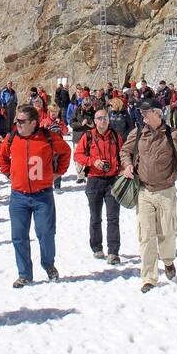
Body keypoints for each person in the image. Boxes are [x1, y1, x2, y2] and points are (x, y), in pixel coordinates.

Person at [120, 99, 177, 293]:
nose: (142, 115)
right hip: (144, 192)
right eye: (141, 112)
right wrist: (127, 164)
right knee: (146, 235)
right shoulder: (137, 134)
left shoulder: (172, 135)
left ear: (158, 113)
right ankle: (149, 277)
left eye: (146, 112)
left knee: (167, 232)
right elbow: (125, 151)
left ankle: (168, 260)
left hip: (166, 191)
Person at [0, 105, 71, 287]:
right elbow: (2, 156)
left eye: (22, 121)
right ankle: (24, 274)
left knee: (46, 233)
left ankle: (48, 264)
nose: (18, 124)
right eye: (17, 121)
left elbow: (66, 152)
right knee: (19, 236)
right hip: (19, 196)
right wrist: (8, 173)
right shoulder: (12, 137)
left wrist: (58, 172)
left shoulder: (47, 137)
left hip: (42, 196)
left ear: (33, 122)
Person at [73, 106, 123, 265]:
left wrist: (122, 170)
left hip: (112, 180)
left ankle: (113, 251)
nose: (103, 120)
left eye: (105, 118)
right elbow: (78, 155)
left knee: (113, 217)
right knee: (95, 217)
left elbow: (122, 154)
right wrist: (93, 162)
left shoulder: (115, 135)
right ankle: (96, 247)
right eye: (100, 118)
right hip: (94, 179)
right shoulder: (88, 136)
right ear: (94, 121)